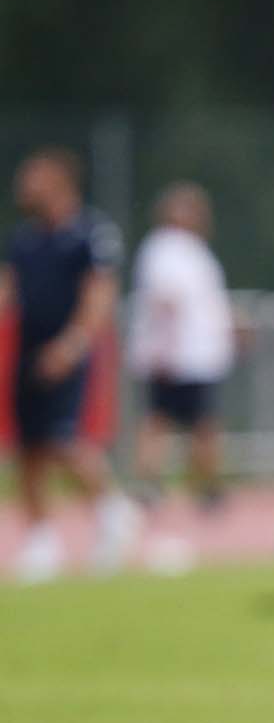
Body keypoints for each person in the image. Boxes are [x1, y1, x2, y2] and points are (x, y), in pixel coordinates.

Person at [2, 148, 136, 582]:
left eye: (33, 176)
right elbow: (8, 291)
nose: (23, 185)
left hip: (69, 351)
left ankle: (113, 510)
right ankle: (41, 539)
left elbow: (99, 294)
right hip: (28, 352)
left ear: (60, 180)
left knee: (67, 441)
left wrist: (73, 343)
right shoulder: (24, 239)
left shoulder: (91, 234)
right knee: (29, 450)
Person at [128, 182, 236, 512]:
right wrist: (164, 347)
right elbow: (166, 300)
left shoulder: (195, 249)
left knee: (200, 423)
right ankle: (151, 484)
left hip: (199, 354)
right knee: (161, 420)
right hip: (178, 354)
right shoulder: (164, 248)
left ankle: (204, 485)